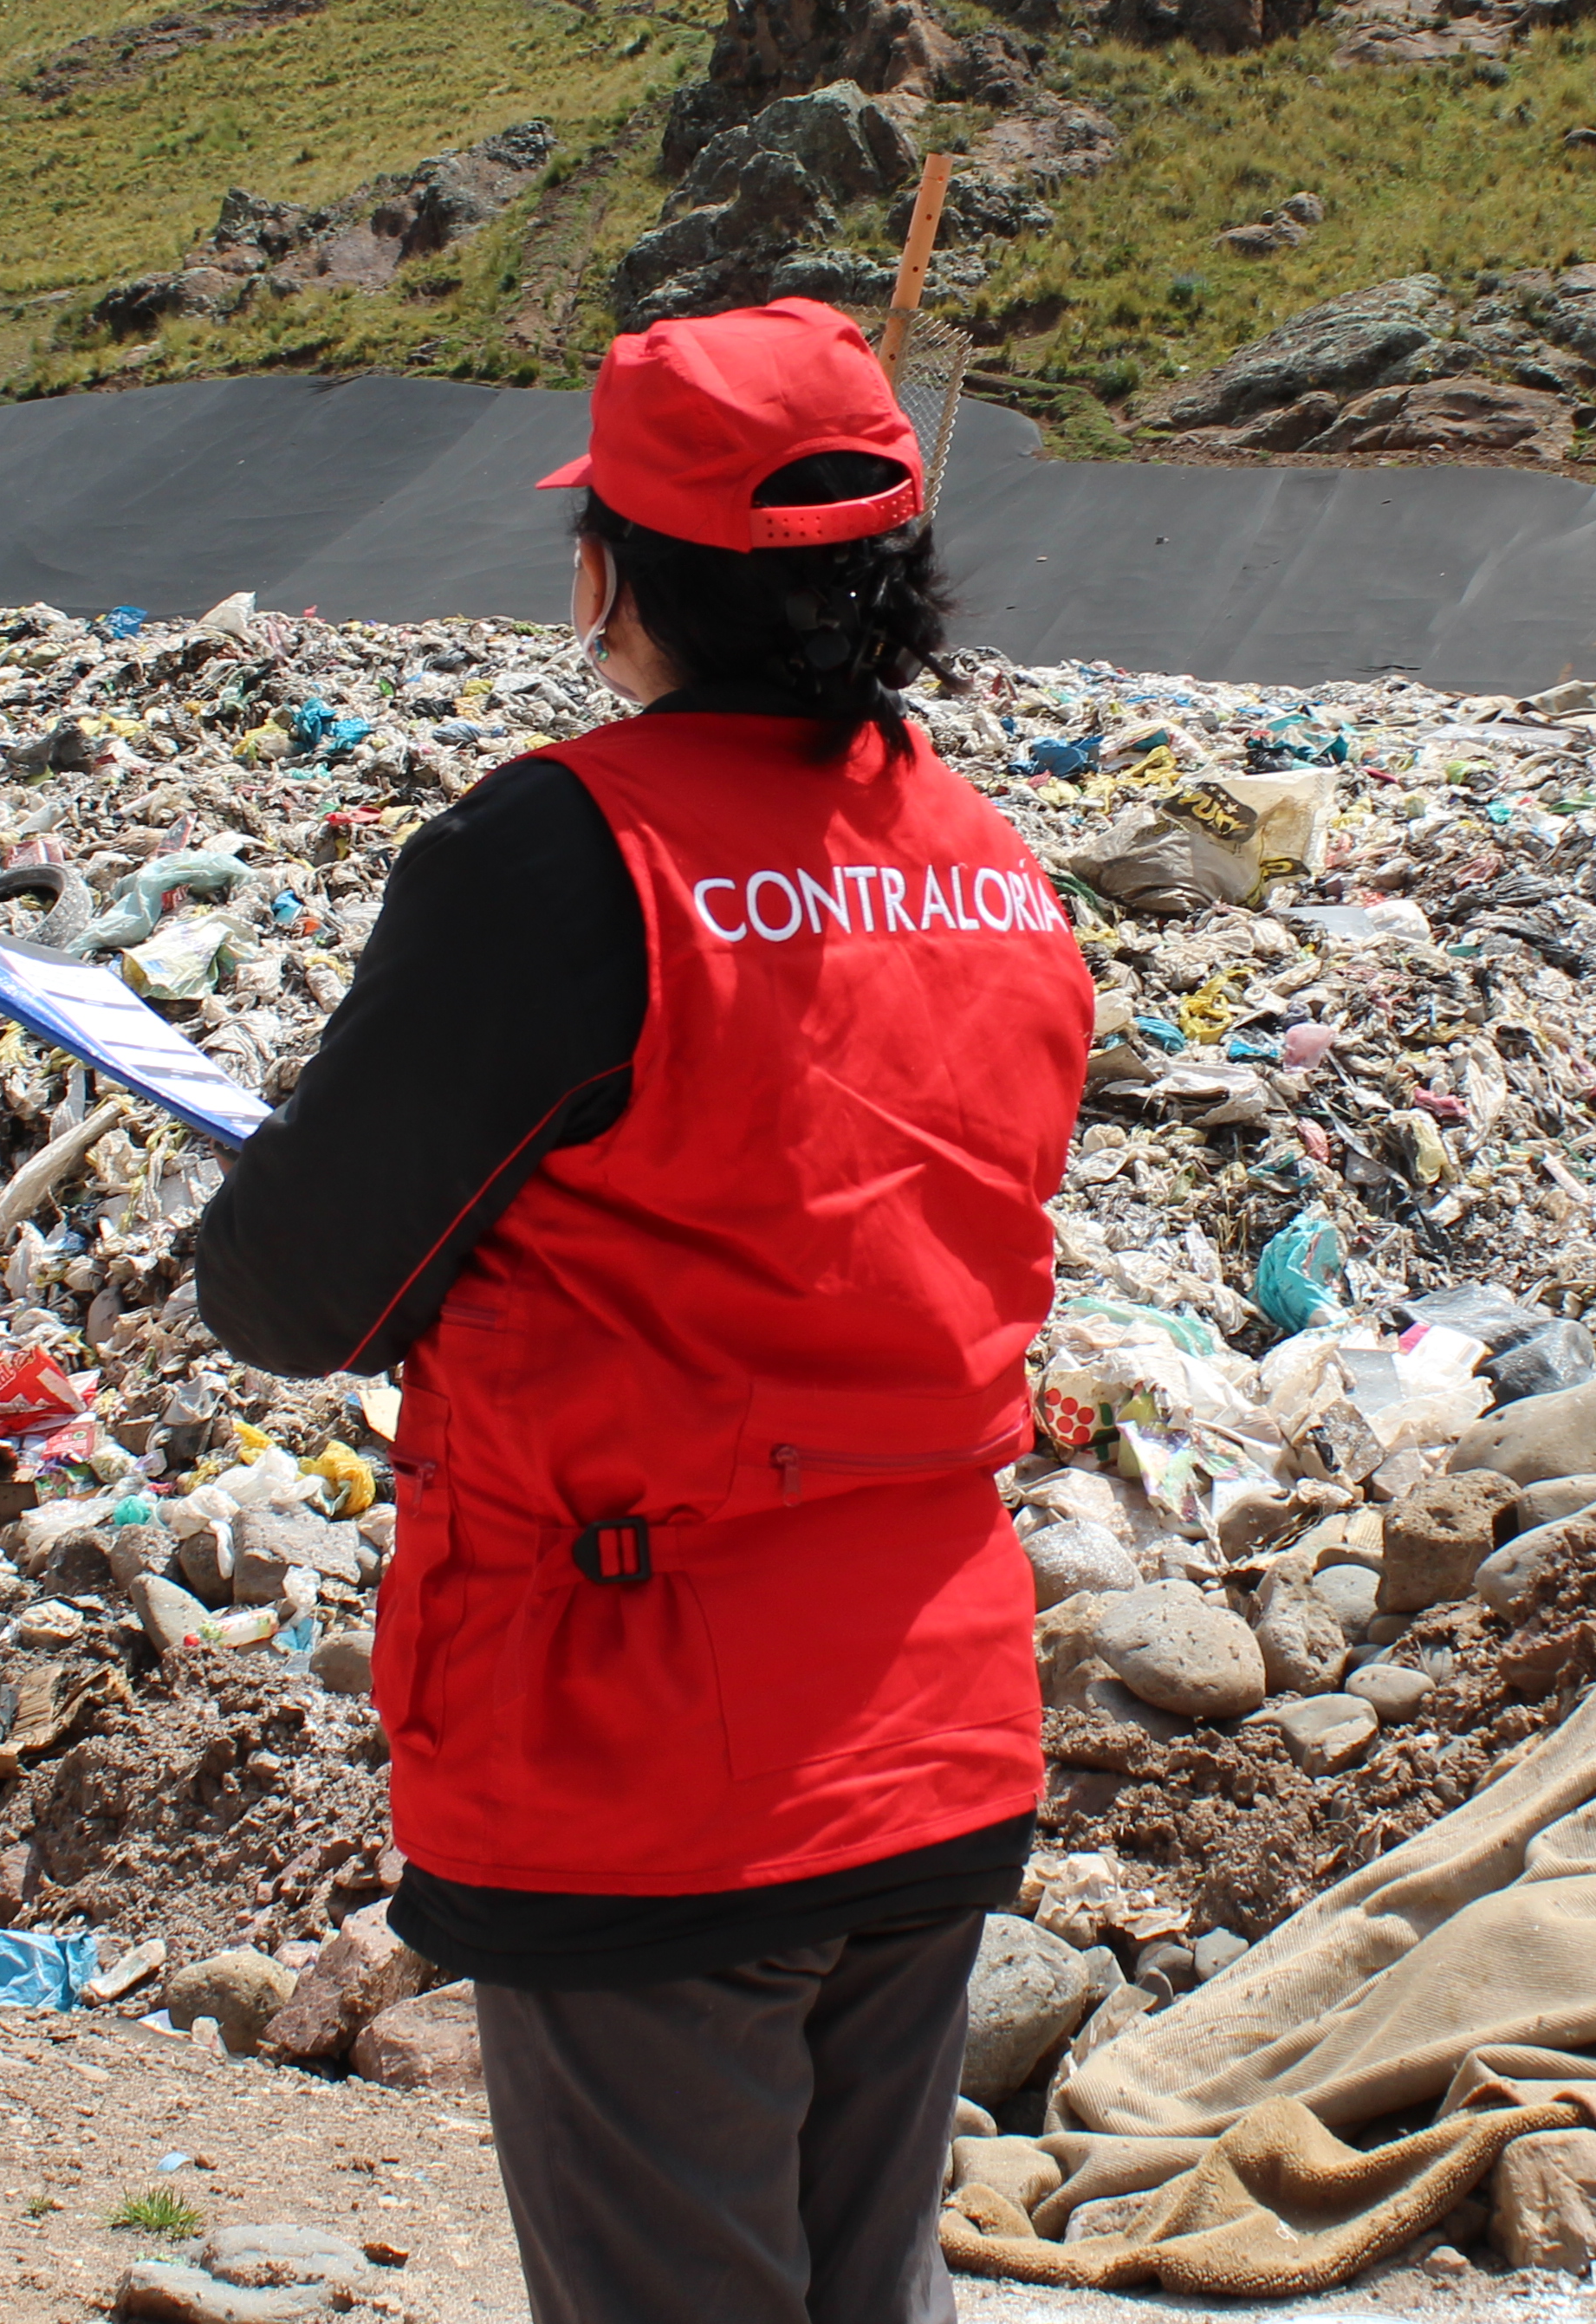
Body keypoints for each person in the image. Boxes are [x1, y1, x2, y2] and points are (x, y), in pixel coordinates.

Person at [195, 296, 1093, 2324]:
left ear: (617, 570)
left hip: (654, 1752)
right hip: (938, 1726)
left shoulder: (568, 856)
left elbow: (298, 1291)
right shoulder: (989, 864)